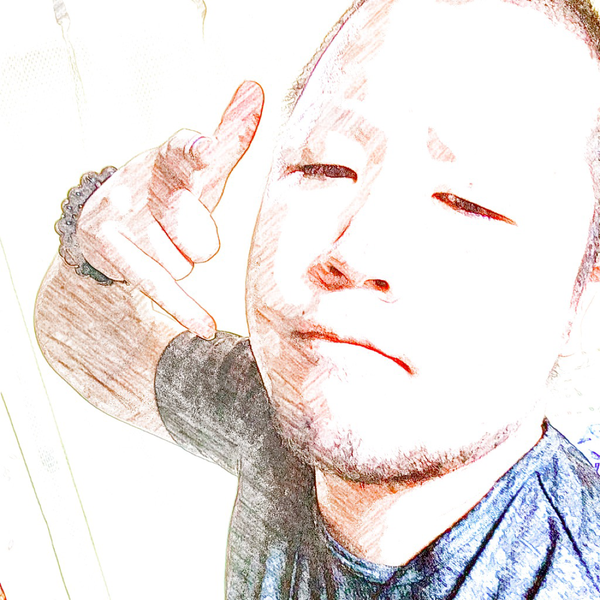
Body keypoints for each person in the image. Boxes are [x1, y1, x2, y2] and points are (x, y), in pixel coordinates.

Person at [35, 0, 600, 597]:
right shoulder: (278, 415)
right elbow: (84, 338)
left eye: (469, 203)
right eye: (324, 166)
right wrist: (92, 241)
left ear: (582, 301)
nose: (358, 251)